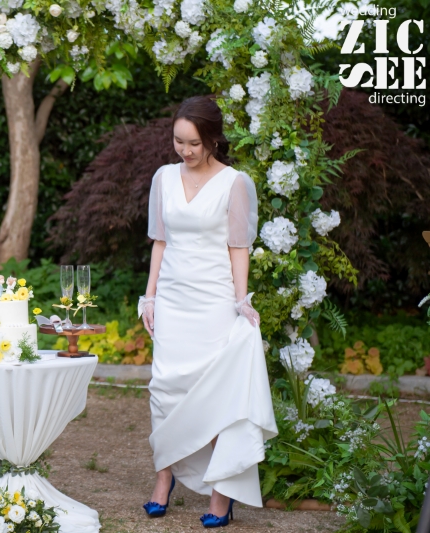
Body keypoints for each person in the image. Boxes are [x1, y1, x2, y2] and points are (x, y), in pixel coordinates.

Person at [138, 96, 278, 527]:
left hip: (214, 302)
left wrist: (241, 300)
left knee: (215, 396)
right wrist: (150, 297)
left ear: (213, 139)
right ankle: (164, 478)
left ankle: (222, 492)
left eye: (194, 143)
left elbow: (239, 247)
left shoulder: (235, 183)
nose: (185, 150)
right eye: (178, 141)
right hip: (173, 300)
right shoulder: (163, 178)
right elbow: (160, 241)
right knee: (164, 390)